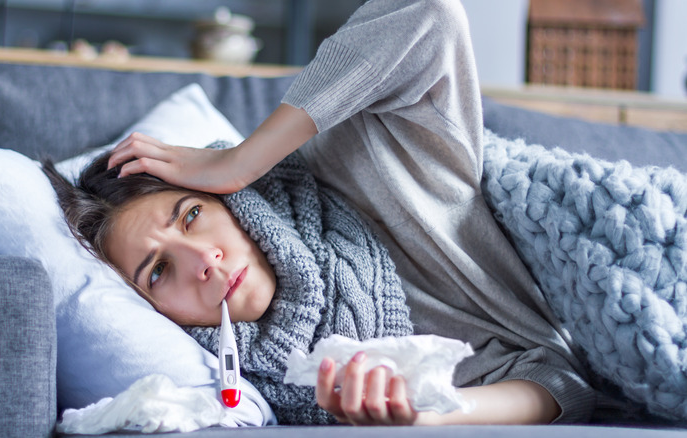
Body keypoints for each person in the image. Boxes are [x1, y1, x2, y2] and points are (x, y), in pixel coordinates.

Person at [44, 0, 600, 427]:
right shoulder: (258, 385)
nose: (202, 262)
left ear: (228, 201)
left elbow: (431, 13)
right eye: (158, 272)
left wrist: (240, 160)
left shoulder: (356, 163)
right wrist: (426, 414)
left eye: (191, 216)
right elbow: (561, 377)